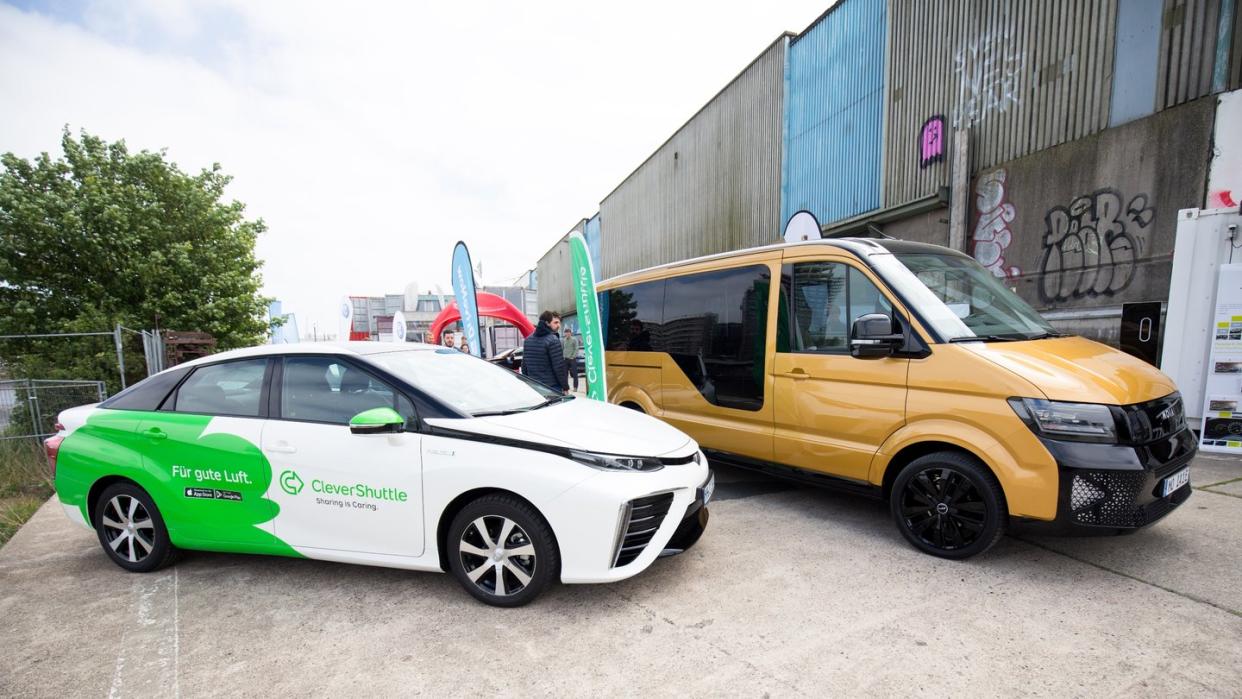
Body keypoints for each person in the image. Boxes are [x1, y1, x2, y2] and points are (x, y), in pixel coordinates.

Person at [522, 311, 569, 393]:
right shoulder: (553, 340)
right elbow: (559, 367)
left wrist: (528, 383)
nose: (559, 325)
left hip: (534, 386)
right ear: (547, 323)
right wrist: (565, 387)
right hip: (552, 387)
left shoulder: (528, 340)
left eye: (559, 322)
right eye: (555, 322)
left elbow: (524, 366)